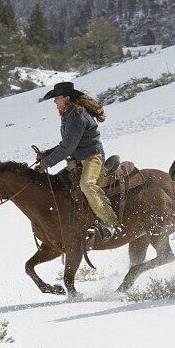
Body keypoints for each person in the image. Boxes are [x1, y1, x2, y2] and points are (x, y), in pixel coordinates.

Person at [36, 82, 118, 241]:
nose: (55, 101)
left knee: (87, 185)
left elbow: (67, 147)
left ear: (66, 98)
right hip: (80, 157)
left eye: (57, 98)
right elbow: (67, 143)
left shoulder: (77, 115)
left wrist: (47, 162)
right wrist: (47, 154)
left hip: (92, 157)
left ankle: (110, 222)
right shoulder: (69, 113)